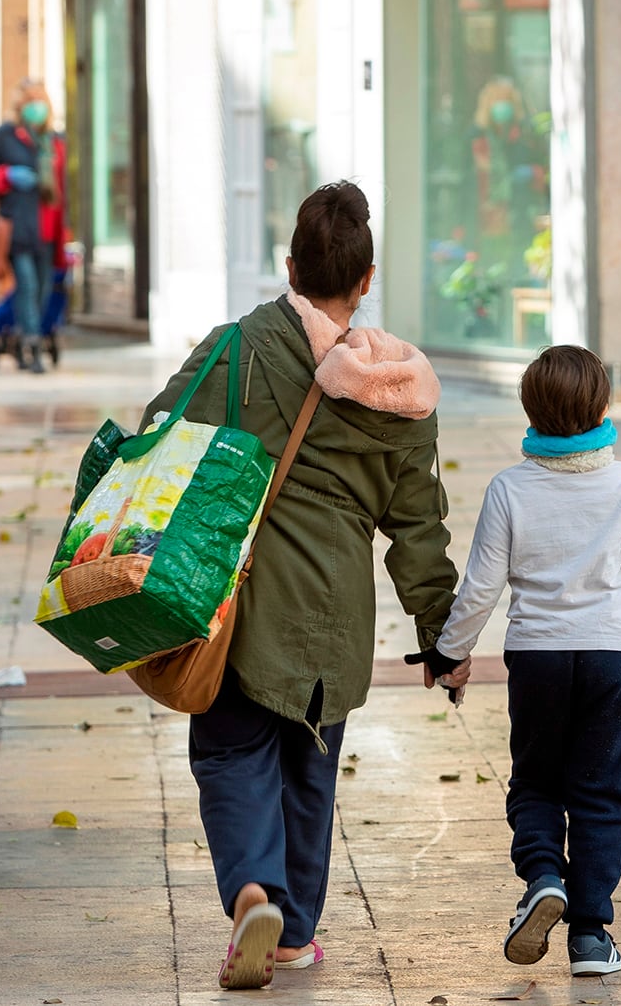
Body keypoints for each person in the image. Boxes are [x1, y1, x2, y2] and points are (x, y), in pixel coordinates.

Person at [141, 181, 459, 989]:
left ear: (290, 267)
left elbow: (159, 436)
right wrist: (440, 634)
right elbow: (418, 526)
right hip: (335, 612)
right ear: (366, 278)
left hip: (239, 599)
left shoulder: (237, 347)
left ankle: (253, 891)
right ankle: (293, 935)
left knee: (231, 752)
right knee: (310, 766)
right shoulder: (402, 389)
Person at [428, 345, 621, 977]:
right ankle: (590, 935)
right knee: (604, 790)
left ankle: (544, 876)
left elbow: (481, 588)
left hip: (537, 658)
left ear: (529, 409)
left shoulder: (509, 488)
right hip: (613, 655)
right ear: (601, 406)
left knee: (537, 779)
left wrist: (451, 652)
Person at [0, 79, 69, 373]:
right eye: (30, 101)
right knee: (26, 286)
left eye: (40, 101)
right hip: (16, 228)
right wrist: (6, 176)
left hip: (48, 230)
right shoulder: (2, 137)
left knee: (43, 290)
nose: (36, 107)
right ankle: (32, 347)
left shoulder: (54, 141)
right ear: (19, 106)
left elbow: (62, 187)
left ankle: (21, 336)